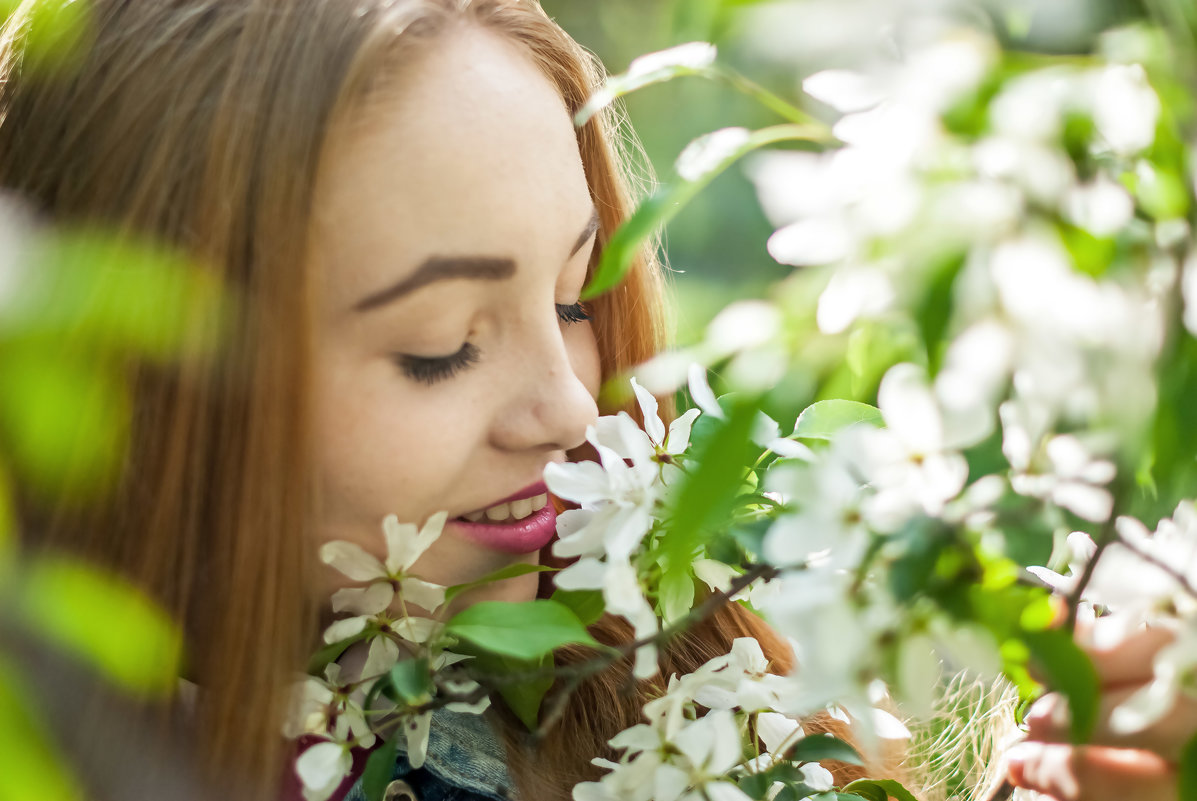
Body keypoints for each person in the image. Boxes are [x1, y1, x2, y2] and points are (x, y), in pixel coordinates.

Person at [0, 2, 1189, 801]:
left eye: (576, 298)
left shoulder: (708, 700)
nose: (572, 408)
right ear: (137, 376)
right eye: (440, 347)